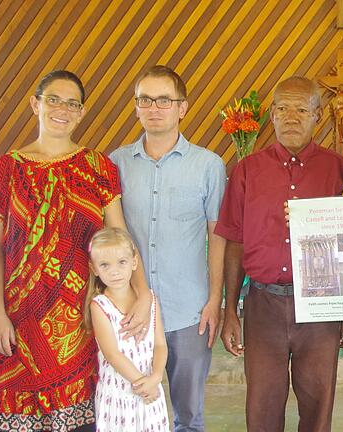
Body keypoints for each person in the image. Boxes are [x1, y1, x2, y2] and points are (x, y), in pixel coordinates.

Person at [0, 70, 151, 432]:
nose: (63, 109)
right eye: (53, 99)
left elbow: (120, 237)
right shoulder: (6, 169)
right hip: (17, 320)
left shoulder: (98, 167)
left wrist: (142, 294)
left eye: (73, 104)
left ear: (81, 113)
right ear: (35, 104)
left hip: (80, 322)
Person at [215, 76, 343, 432]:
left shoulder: (338, 169)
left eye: (301, 109)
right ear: (272, 115)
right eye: (283, 109)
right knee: (262, 409)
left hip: (321, 307)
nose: (291, 117)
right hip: (263, 303)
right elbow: (234, 240)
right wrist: (230, 310)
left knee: (317, 406)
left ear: (318, 115)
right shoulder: (248, 170)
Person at [110, 65, 227, 431]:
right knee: (129, 409)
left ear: (182, 107)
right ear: (136, 106)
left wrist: (214, 300)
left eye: (165, 99)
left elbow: (218, 237)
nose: (154, 107)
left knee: (188, 415)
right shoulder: (116, 164)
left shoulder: (208, 165)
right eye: (145, 99)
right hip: (129, 311)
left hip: (188, 310)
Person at [85, 227, 170, 431]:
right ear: (94, 268)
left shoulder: (150, 300)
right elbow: (112, 354)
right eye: (105, 265)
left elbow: (160, 344)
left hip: (151, 392)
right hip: (119, 395)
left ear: (134, 262)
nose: (114, 271)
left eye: (121, 262)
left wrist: (156, 377)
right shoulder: (99, 306)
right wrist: (142, 384)